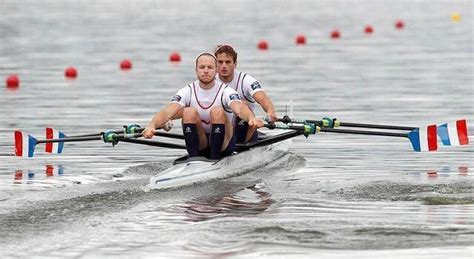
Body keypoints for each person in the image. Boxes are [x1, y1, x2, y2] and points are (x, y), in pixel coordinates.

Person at [142, 52, 261, 160]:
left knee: (217, 111)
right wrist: (152, 125)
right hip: (201, 142)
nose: (205, 71)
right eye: (202, 67)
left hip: (224, 144)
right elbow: (168, 112)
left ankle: (215, 158)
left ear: (216, 71)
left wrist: (251, 118)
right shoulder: (187, 90)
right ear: (196, 70)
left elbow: (239, 109)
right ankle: (194, 158)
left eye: (210, 67)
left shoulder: (226, 91)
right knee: (188, 112)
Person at [214, 44, 278, 144]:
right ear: (215, 64)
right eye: (220, 62)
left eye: (228, 62)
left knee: (242, 104)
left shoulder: (246, 80)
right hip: (222, 129)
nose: (224, 66)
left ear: (235, 64)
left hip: (245, 131)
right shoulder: (211, 82)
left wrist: (270, 112)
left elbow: (262, 98)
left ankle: (237, 145)